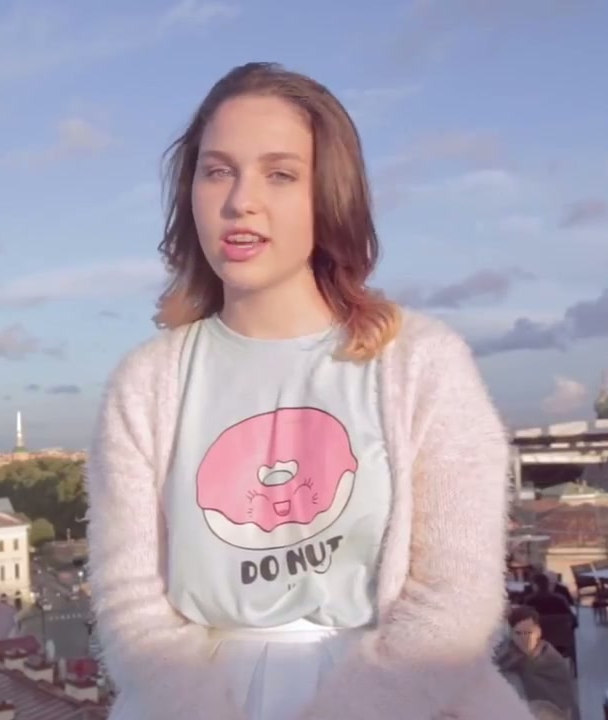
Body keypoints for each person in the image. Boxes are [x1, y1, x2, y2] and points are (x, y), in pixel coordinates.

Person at [84, 62, 533, 720]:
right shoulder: (146, 383)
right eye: (217, 171)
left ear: (329, 195)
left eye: (280, 174)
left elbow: (455, 599)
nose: (241, 201)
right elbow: (130, 604)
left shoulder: (422, 364)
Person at [496, 606, 577, 718]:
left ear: (538, 632)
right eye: (518, 633)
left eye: (529, 632)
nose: (524, 638)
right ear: (512, 635)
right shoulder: (507, 657)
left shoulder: (553, 662)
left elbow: (564, 705)